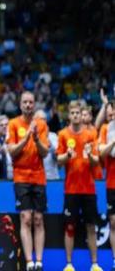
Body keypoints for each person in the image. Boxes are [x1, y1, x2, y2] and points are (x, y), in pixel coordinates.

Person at [6, 91, 49, 271]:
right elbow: (12, 151)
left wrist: (36, 138)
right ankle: (29, 262)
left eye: (31, 102)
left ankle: (39, 262)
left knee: (38, 219)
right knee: (25, 218)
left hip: (38, 177)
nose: (28, 105)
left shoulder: (42, 124)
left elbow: (45, 153)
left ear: (34, 104)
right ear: (20, 104)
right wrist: (26, 137)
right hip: (21, 177)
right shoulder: (13, 124)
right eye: (25, 102)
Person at [57, 101, 102, 271]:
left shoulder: (90, 135)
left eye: (78, 113)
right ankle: (69, 264)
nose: (75, 115)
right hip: (71, 190)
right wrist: (67, 156)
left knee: (91, 227)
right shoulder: (63, 134)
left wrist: (90, 155)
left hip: (88, 189)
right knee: (69, 227)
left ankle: (94, 264)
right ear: (69, 115)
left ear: (81, 115)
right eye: (73, 113)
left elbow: (96, 161)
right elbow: (59, 161)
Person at [98, 103, 115, 271]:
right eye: (110, 114)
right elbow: (102, 153)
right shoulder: (105, 129)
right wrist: (113, 142)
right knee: (114, 222)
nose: (113, 116)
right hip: (112, 182)